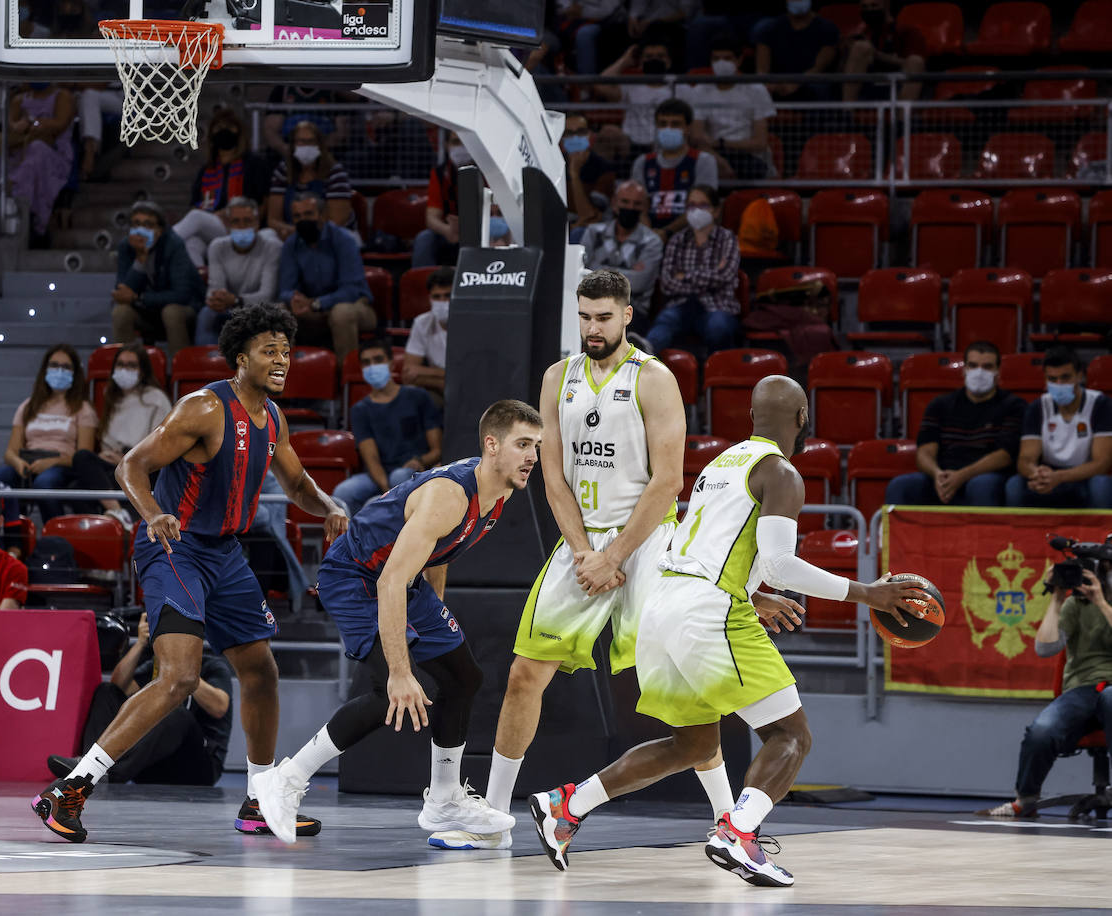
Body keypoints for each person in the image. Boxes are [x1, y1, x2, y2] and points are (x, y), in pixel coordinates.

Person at [437, 270, 789, 851]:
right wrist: (583, 551)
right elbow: (552, 478)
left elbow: (669, 480)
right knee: (525, 672)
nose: (592, 328)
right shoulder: (558, 378)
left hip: (649, 541)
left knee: (685, 691)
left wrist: (617, 554)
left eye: (603, 317)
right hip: (581, 542)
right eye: (584, 316)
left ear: (627, 316)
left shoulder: (654, 380)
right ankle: (495, 820)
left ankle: (730, 823)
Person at [528, 375, 925, 885]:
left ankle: (566, 807)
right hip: (706, 612)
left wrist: (752, 592)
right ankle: (737, 834)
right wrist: (867, 593)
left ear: (751, 419)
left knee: (691, 745)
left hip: (662, 605)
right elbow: (781, 563)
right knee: (790, 735)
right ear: (803, 418)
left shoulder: (720, 465)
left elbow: (711, 546)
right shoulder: (781, 473)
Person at [30, 303, 349, 844]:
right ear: (241, 357)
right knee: (177, 677)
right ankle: (72, 789)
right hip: (174, 547)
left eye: (287, 352)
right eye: (269, 350)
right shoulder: (204, 408)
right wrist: (154, 514)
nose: (282, 360)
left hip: (224, 555)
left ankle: (259, 800)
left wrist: (331, 506)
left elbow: (298, 487)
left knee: (261, 671)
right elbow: (130, 464)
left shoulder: (273, 417)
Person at [250, 400, 544, 845]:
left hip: (402, 582)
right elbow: (389, 582)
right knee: (388, 691)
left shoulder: (496, 494)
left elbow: (438, 554)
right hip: (356, 578)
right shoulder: (451, 495)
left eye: (537, 446)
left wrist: (435, 621)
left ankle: (444, 800)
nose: (533, 458)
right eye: (523, 444)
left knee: (462, 675)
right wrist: (403, 669)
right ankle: (285, 780)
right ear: (492, 444)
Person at [978, 554, 1112, 819]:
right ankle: (1024, 801)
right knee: (1041, 731)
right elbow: (1045, 647)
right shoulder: (1077, 604)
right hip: (1083, 689)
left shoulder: (1098, 602)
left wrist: (1102, 602)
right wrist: (1057, 598)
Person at [48, 617, 235, 787]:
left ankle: (110, 774)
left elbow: (219, 707)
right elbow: (119, 685)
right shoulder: (156, 665)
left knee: (174, 712)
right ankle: (90, 766)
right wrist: (140, 644)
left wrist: (184, 672)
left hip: (196, 767)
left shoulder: (213, 666)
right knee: (107, 692)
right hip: (152, 765)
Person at [885, 342, 1025, 508]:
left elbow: (1005, 456)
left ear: (998, 372)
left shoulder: (1014, 406)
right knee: (900, 486)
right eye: (973, 366)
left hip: (987, 476)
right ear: (964, 370)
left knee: (981, 486)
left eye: (987, 367)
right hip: (944, 476)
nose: (979, 372)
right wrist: (937, 474)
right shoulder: (940, 405)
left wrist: (961, 476)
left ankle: (983, 535)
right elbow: (925, 452)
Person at [0, 344, 98, 523]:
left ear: (75, 373)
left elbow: (84, 456)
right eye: (54, 365)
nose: (59, 371)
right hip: (27, 464)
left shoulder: (83, 409)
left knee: (44, 484)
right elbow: (10, 452)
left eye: (66, 367)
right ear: (45, 370)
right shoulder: (28, 405)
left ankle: (55, 533)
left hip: (61, 464)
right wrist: (18, 463)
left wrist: (50, 462)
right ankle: (10, 532)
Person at [333, 338, 442, 516]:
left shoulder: (418, 397)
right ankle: (354, 541)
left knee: (398, 477)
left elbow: (437, 449)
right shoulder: (360, 410)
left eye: (378, 360)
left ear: (391, 363)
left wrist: (421, 461)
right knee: (343, 492)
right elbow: (371, 459)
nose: (372, 366)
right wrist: (386, 492)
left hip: (414, 470)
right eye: (366, 362)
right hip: (380, 475)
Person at [72, 342, 172, 531]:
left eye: (131, 365)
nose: (125, 370)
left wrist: (127, 459)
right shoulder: (111, 398)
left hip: (143, 468)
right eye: (121, 365)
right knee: (81, 459)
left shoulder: (157, 398)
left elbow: (161, 445)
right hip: (115, 466)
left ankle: (115, 519)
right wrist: (108, 456)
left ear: (142, 371)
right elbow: (108, 445)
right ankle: (117, 513)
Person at [1006, 347, 1112, 509]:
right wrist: (1037, 474)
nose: (1059, 384)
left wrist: (1059, 477)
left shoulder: (1100, 404)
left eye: (1065, 377)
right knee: (1014, 485)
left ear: (1080, 376)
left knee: (1101, 485)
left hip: (1084, 476)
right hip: (1049, 475)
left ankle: (1102, 534)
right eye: (1052, 379)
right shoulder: (1037, 407)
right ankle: (1017, 534)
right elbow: (1025, 460)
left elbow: (1101, 463)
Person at [276, 191, 374, 363]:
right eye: (297, 216)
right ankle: (284, 380)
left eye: (308, 214)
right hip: (310, 309)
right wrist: (294, 299)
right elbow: (285, 289)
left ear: (323, 215)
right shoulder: (291, 244)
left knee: (341, 313)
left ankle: (345, 381)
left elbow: (351, 290)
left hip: (354, 307)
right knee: (276, 312)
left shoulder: (344, 240)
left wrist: (317, 303)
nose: (303, 220)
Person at [645, 185, 741, 355]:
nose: (696, 210)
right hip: (681, 305)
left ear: (716, 211)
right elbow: (667, 284)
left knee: (718, 327)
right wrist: (709, 277)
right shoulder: (677, 240)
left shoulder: (728, 239)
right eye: (691, 205)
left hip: (717, 306)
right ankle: (641, 359)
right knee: (664, 321)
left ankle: (718, 376)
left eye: (703, 205)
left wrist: (684, 276)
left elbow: (725, 275)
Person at [171, 109, 270, 267]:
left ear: (239, 132)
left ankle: (159, 244)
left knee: (196, 217)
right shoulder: (206, 170)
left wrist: (235, 215)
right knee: (192, 243)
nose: (224, 131)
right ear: (211, 135)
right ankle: (201, 281)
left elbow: (263, 203)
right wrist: (214, 216)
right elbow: (196, 204)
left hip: (241, 226)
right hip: (213, 227)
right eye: (218, 127)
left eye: (230, 127)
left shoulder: (253, 163)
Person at [111, 201, 201, 356]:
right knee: (121, 312)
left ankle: (179, 372)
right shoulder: (126, 246)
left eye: (148, 224)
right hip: (147, 311)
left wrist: (139, 298)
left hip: (184, 310)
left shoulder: (174, 244)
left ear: (159, 230)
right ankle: (129, 365)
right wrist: (140, 259)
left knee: (171, 312)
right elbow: (122, 291)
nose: (141, 230)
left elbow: (181, 294)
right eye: (136, 224)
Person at [691, 35, 777, 180]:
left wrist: (722, 143)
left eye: (727, 58)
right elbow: (697, 137)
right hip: (713, 154)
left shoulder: (756, 89)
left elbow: (760, 142)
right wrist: (719, 160)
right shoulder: (700, 90)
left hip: (748, 157)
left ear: (739, 60)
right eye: (716, 59)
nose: (721, 63)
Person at [629, 99, 718, 238]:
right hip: (649, 235)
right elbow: (638, 206)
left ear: (687, 128)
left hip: (690, 234)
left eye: (675, 124)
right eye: (663, 124)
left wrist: (667, 232)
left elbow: (703, 208)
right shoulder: (642, 163)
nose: (668, 128)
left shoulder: (703, 161)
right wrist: (650, 236)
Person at [201, 196, 281, 346]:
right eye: (236, 222)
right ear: (228, 225)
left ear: (257, 224)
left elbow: (268, 295)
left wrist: (237, 300)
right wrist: (216, 299)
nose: (242, 226)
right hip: (228, 308)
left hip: (261, 309)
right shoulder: (217, 247)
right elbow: (214, 288)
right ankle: (208, 364)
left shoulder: (272, 247)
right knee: (207, 313)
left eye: (248, 221)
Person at [580, 181, 663, 322]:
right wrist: (626, 272)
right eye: (625, 202)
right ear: (614, 203)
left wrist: (598, 270)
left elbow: (638, 284)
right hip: (591, 304)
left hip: (632, 310)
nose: (630, 207)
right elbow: (581, 273)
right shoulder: (593, 233)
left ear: (645, 207)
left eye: (636, 204)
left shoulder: (652, 241)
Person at [7, 82, 76, 244]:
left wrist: (32, 123)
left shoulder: (63, 96)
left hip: (54, 153)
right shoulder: (18, 99)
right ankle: (17, 213)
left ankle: (33, 220)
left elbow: (59, 124)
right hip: (19, 151)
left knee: (37, 154)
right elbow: (11, 128)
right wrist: (25, 127)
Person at [265, 120, 355, 243]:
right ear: (293, 145)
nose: (305, 146)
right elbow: (273, 219)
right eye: (301, 141)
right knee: (267, 236)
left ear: (319, 145)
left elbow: (338, 220)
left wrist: (309, 234)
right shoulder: (283, 171)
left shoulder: (335, 173)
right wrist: (294, 232)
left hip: (330, 234)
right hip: (292, 232)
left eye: (310, 141)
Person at [595, 40, 675, 155]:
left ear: (668, 61)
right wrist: (625, 60)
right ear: (641, 62)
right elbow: (600, 85)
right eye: (649, 57)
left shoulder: (679, 86)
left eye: (660, 56)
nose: (654, 60)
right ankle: (608, 173)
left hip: (667, 142)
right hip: (631, 143)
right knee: (608, 132)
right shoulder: (631, 84)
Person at [840, 0, 925, 104]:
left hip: (898, 86)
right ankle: (846, 114)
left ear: (887, 4)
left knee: (915, 61)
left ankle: (901, 119)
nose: (869, 10)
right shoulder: (858, 37)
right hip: (867, 86)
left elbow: (916, 64)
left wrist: (876, 55)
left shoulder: (907, 31)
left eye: (874, 5)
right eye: (864, 7)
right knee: (861, 47)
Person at [756, 0, 839, 103]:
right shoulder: (769, 28)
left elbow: (818, 68)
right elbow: (762, 70)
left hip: (808, 81)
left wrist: (796, 83)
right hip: (776, 82)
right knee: (758, 88)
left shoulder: (827, 28)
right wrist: (769, 83)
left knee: (819, 87)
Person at [412, 133, 466, 269]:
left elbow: (496, 213)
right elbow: (431, 218)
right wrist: (448, 230)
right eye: (456, 142)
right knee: (424, 238)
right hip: (447, 232)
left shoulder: (487, 172)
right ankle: (423, 284)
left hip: (480, 231)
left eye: (465, 143)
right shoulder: (439, 173)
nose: (461, 148)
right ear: (446, 145)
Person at [402, 266, 451, 404]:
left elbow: (468, 377)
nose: (442, 302)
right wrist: (444, 382)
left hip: (471, 392)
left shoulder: (473, 324)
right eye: (437, 297)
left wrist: (428, 372)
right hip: (437, 389)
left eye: (447, 295)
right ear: (430, 298)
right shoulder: (422, 323)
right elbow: (408, 374)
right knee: (413, 398)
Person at [562, 113, 617, 231]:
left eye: (581, 132)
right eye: (569, 134)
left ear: (591, 135)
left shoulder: (605, 169)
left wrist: (574, 174)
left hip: (588, 232)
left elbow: (588, 216)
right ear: (561, 138)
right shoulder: (553, 165)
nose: (575, 138)